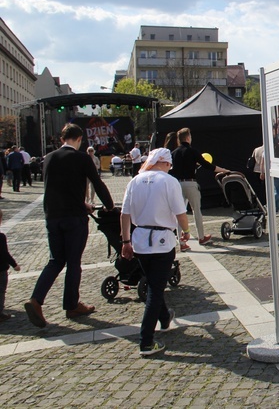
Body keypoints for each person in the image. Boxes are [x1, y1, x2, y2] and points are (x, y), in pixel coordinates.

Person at [24, 124, 115, 328]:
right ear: (79, 139)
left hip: (52, 216)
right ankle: (72, 305)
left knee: (55, 260)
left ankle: (36, 300)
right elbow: (97, 183)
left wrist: (81, 203)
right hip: (73, 218)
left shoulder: (48, 158)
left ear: (62, 139)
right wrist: (109, 206)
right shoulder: (81, 158)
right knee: (74, 262)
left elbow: (55, 188)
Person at [120, 148, 190, 357]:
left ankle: (165, 317)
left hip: (140, 239)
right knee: (155, 290)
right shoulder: (169, 181)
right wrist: (186, 232)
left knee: (153, 282)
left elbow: (124, 214)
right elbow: (180, 212)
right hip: (162, 241)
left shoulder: (135, 180)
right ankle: (146, 341)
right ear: (165, 163)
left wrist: (125, 241)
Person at [169, 128, 229, 250]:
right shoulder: (192, 151)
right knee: (197, 211)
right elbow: (208, 166)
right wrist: (224, 170)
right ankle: (201, 237)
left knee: (180, 213)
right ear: (187, 138)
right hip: (191, 183)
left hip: (177, 184)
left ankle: (181, 243)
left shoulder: (173, 153)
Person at [0, 209, 21, 322]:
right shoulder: (1, 237)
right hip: (1, 270)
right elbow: (4, 254)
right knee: (1, 291)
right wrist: (14, 265)